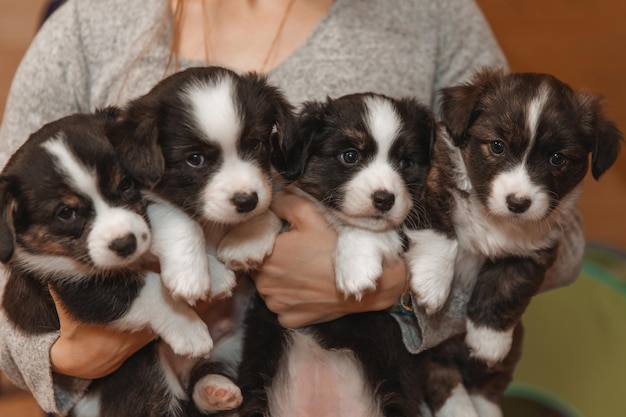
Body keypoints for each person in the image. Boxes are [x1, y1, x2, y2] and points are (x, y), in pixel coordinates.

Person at [0, 0, 585, 415]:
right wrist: (65, 355)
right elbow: (11, 239)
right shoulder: (85, 25)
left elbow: (552, 236)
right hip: (158, 389)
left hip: (374, 385)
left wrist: (404, 295)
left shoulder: (433, 13)